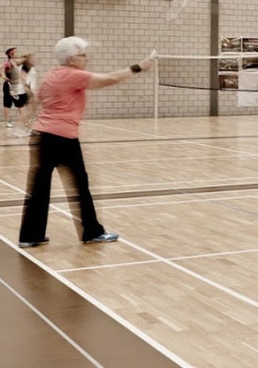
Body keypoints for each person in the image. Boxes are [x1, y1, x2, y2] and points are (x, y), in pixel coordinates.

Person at [17, 38, 156, 248]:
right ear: (71, 59)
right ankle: (92, 232)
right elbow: (109, 79)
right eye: (82, 55)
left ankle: (30, 236)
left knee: (39, 188)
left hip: (41, 136)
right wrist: (139, 67)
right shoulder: (73, 75)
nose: (87, 59)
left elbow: (38, 100)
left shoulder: (52, 74)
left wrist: (29, 120)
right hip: (62, 138)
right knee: (80, 186)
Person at [0, 47, 21, 128]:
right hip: (9, 86)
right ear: (11, 54)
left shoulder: (16, 63)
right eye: (15, 52)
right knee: (7, 105)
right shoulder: (8, 63)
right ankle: (8, 122)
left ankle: (25, 121)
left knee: (20, 104)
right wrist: (3, 76)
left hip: (16, 86)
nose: (17, 53)